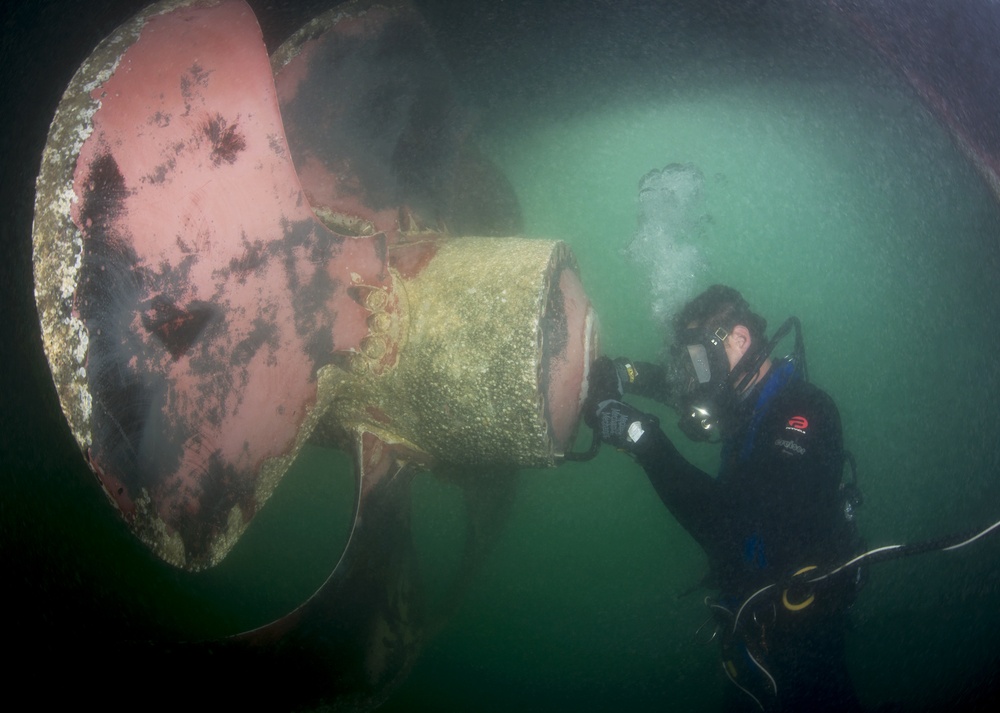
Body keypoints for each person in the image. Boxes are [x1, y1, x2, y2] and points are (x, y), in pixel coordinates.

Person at [586, 285, 863, 712]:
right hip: (751, 650)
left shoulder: (804, 411)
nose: (691, 377)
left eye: (696, 361)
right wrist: (626, 375)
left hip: (803, 657)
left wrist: (641, 438)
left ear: (739, 339)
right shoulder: (747, 404)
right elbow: (681, 388)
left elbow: (734, 530)